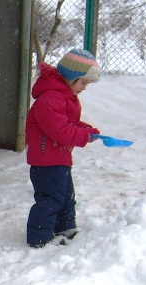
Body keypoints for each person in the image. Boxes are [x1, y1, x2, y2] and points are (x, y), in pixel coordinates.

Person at [25, 49, 102, 248]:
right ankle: (39, 237)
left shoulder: (62, 97)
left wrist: (87, 131)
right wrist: (83, 135)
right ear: (71, 77)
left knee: (66, 197)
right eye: (83, 82)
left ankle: (65, 228)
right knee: (50, 199)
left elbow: (68, 122)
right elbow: (59, 130)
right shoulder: (50, 98)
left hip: (59, 158)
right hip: (46, 160)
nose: (84, 87)